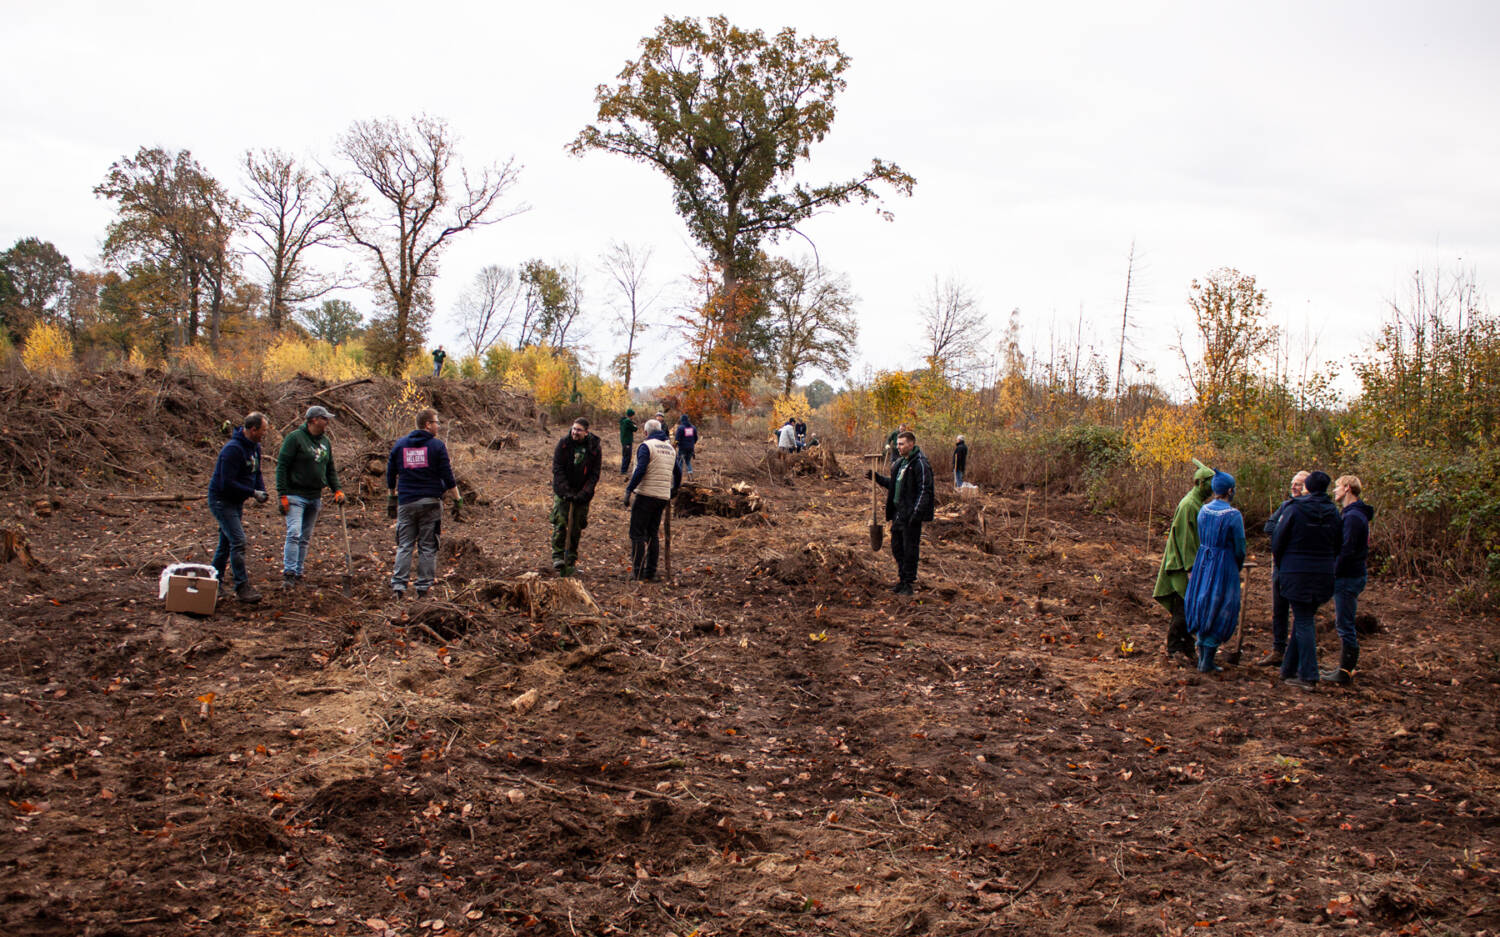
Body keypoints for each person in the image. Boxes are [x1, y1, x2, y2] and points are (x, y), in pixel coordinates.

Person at [1273, 470, 1342, 691]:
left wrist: (1283, 564)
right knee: (1304, 617)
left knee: (1303, 619)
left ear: (1308, 487)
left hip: (1296, 572)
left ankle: (1309, 675)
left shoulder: (1295, 508)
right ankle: (1288, 669)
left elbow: (1278, 540)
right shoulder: (1333, 512)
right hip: (1324, 573)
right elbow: (1339, 543)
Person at [385, 408, 459, 598]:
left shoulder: (400, 445)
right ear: (427, 424)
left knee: (404, 545)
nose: (438, 426)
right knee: (428, 546)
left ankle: (399, 587)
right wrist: (458, 499)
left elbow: (390, 473)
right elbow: (448, 476)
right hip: (430, 503)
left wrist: (391, 497)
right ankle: (423, 588)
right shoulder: (437, 446)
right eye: (436, 422)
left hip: (406, 503)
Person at [275, 405, 345, 589]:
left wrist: (336, 489)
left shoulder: (325, 442)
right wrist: (282, 494)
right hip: (295, 495)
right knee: (294, 533)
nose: (327, 422)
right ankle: (289, 572)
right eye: (324, 418)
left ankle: (298, 572)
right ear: (313, 420)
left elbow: (330, 468)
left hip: (315, 496)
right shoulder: (294, 438)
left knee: (305, 536)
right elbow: (282, 466)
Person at [1153, 460, 1215, 663]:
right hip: (1180, 564)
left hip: (1189, 563)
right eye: (1210, 484)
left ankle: (1187, 646)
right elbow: (1186, 540)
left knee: (1189, 606)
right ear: (1200, 483)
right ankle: (1173, 648)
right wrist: (1191, 568)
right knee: (1183, 605)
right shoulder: (1189, 505)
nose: (1213, 489)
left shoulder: (1197, 504)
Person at [1184, 471, 1246, 673]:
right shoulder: (1233, 515)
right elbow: (1240, 547)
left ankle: (1203, 656)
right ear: (1230, 490)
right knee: (1221, 605)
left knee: (1204, 601)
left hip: (1204, 562)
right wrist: (1236, 565)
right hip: (1223, 564)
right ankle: (1207, 660)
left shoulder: (1203, 510)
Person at [207, 412, 269, 603]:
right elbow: (227, 483)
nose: (264, 434)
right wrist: (252, 492)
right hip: (221, 500)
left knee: (226, 544)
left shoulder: (255, 447)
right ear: (253, 430)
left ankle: (212, 583)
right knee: (238, 541)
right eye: (263, 430)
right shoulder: (232, 450)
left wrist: (261, 490)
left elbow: (256, 471)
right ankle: (242, 586)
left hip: (236, 501)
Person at [868, 430, 935, 595]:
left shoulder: (920, 463)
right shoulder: (900, 463)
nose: (898, 447)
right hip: (898, 512)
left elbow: (925, 489)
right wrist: (877, 477)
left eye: (901, 444)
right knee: (897, 547)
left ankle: (908, 583)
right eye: (897, 443)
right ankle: (901, 579)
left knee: (909, 549)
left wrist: (917, 513)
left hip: (910, 514)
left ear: (911, 444)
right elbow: (894, 484)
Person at [1324, 475, 1374, 686]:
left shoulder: (1353, 517)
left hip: (1348, 576)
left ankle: (1345, 671)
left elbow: (1348, 549)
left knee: (1344, 624)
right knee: (1343, 622)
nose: (1334, 491)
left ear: (1347, 489)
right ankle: (1344, 668)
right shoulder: (1354, 514)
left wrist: (1334, 572)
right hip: (1351, 574)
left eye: (1336, 487)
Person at [1256, 470, 1309, 667]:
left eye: (1300, 484)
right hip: (1280, 566)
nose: (1295, 487)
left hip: (1299, 569)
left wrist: (1286, 535)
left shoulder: (1309, 510)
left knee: (1300, 614)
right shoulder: (1286, 506)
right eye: (1293, 483)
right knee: (1279, 609)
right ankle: (1279, 650)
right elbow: (1269, 527)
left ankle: (1296, 656)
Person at [624, 419, 681, 581]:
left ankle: (638, 572)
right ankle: (651, 572)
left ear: (645, 433)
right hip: (662, 496)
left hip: (645, 495)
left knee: (637, 534)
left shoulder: (646, 446)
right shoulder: (670, 448)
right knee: (652, 534)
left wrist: (629, 490)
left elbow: (640, 469)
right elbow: (677, 472)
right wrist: (674, 489)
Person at [551, 418, 602, 577]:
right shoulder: (564, 444)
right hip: (563, 492)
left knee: (576, 528)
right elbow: (557, 469)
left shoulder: (594, 448)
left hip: (582, 494)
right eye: (573, 429)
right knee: (561, 523)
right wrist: (565, 491)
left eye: (579, 430)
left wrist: (584, 493)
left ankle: (570, 562)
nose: (575, 432)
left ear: (586, 432)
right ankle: (558, 557)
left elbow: (594, 474)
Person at [618, 408, 637, 475]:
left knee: (625, 455)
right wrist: (634, 425)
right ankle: (623, 471)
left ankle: (624, 470)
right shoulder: (628, 421)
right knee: (627, 456)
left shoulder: (623, 421)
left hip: (624, 441)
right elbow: (635, 429)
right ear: (631, 415)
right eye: (633, 415)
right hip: (627, 441)